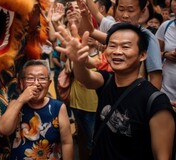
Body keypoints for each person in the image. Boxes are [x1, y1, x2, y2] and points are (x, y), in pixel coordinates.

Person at [55, 22, 175, 159]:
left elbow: (163, 156)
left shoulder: (155, 102)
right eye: (112, 45)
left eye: (126, 46)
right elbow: (86, 78)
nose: (117, 51)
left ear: (142, 55)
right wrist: (77, 61)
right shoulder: (106, 81)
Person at [78, 0, 162, 89]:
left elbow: (156, 78)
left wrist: (149, 102)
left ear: (142, 11)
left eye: (131, 10)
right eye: (121, 9)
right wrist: (84, 14)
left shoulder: (148, 38)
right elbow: (92, 29)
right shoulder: (114, 28)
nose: (125, 15)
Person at [0, 60, 73, 160]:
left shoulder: (58, 107)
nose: (36, 83)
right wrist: (21, 100)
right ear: (21, 83)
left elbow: (66, 143)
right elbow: (3, 129)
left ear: (49, 83)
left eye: (42, 78)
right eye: (30, 78)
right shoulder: (16, 104)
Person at [156, 0, 176, 105]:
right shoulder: (166, 26)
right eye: (175, 0)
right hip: (166, 91)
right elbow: (154, 53)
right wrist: (165, 54)